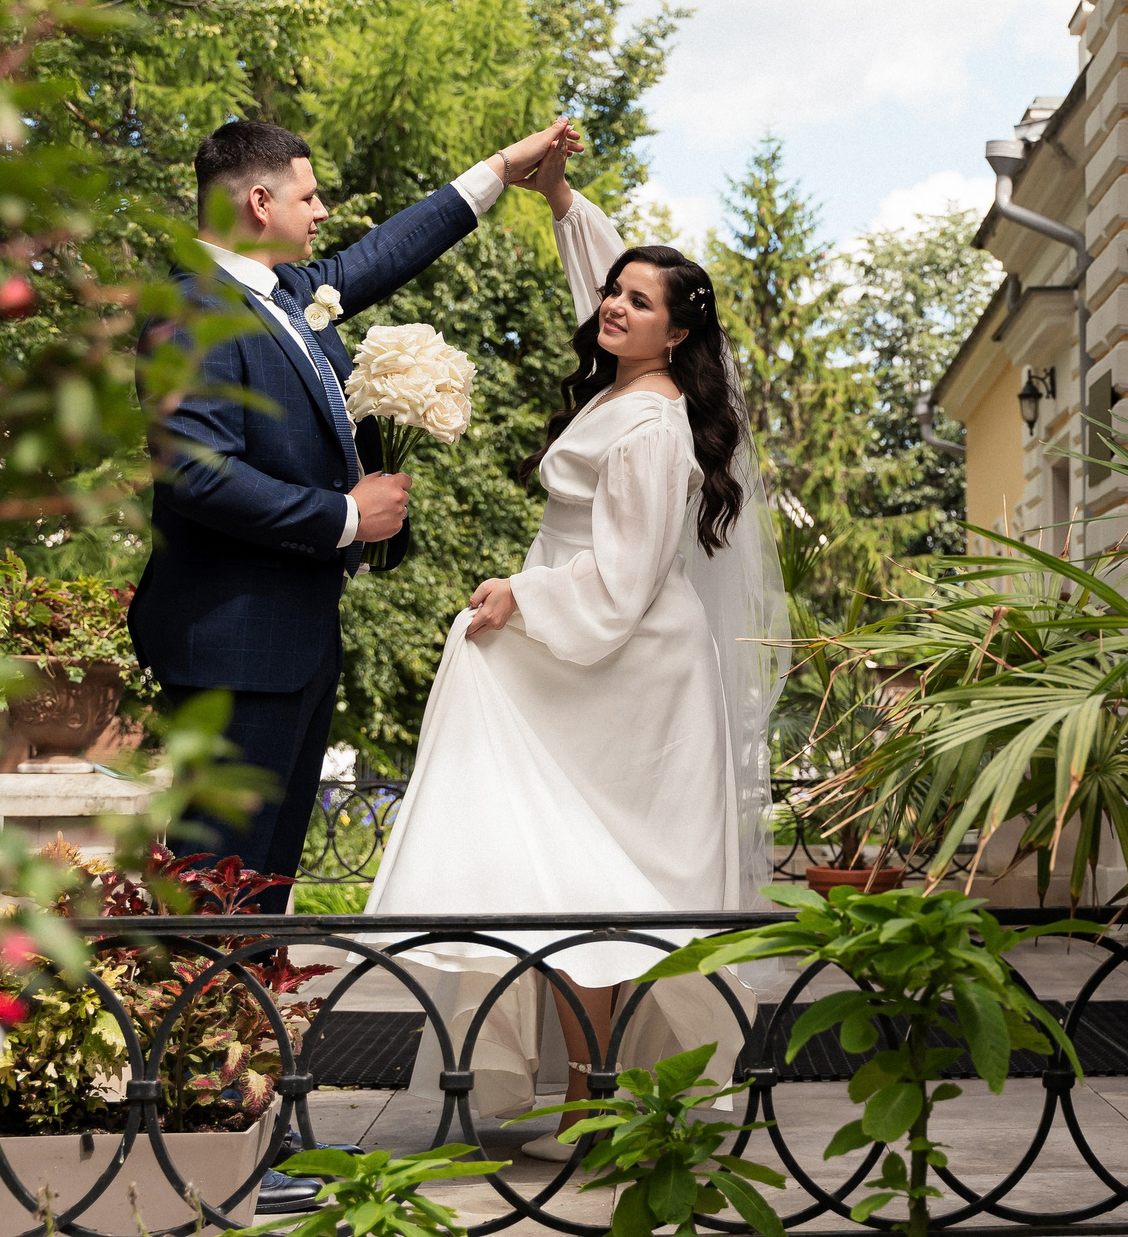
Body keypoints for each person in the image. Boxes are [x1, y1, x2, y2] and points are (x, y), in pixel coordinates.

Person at [363, 140, 781, 1142]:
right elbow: (601, 270)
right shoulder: (623, 384)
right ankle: (582, 1092)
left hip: (624, 667)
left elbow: (627, 580)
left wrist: (523, 595)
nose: (615, 307)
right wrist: (558, 198)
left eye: (639, 302)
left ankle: (597, 1097)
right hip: (596, 651)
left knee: (601, 894)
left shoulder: (648, 428)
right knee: (553, 877)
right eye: (615, 293)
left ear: (677, 335)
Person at [130, 115, 582, 908]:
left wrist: (498, 171)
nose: (324, 209)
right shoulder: (189, 308)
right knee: (212, 893)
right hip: (231, 651)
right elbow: (196, 476)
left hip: (299, 644)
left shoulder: (292, 292)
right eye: (311, 195)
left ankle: (252, 1030)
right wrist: (341, 514)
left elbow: (382, 253)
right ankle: (193, 1028)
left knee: (264, 893)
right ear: (260, 202)